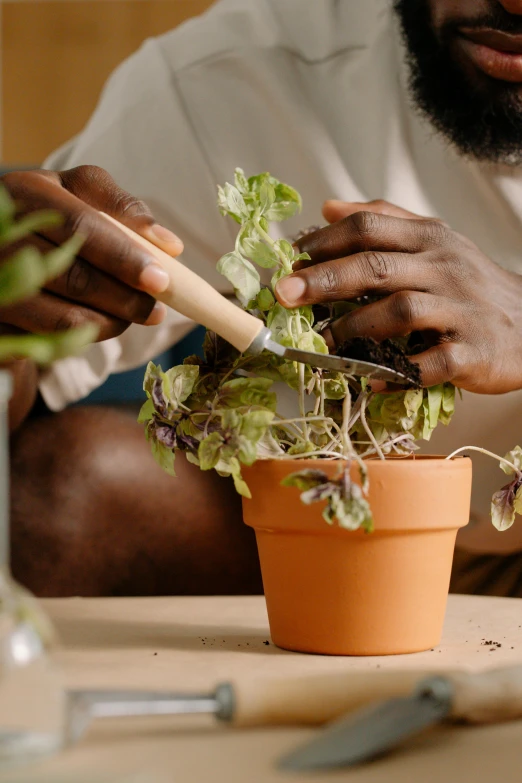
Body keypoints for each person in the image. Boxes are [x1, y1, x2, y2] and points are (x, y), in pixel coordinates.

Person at [3, 0, 522, 597]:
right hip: (321, 537)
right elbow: (24, 384)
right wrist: (9, 304)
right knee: (56, 495)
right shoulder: (231, 80)